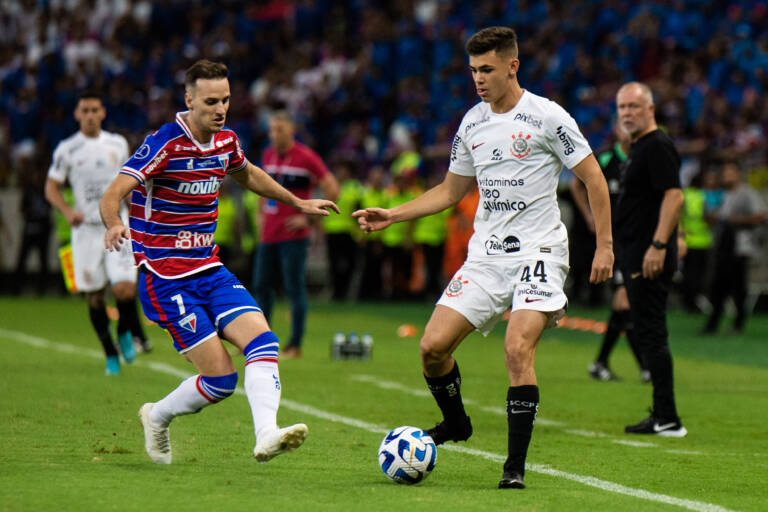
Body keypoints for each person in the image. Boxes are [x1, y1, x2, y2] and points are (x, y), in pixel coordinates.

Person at [354, 27, 613, 489]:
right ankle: (455, 424)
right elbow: (451, 191)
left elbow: (594, 178)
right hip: (487, 258)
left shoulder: (548, 117)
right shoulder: (472, 123)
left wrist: (606, 245)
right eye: (473, 70)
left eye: (487, 69)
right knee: (432, 348)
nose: (478, 78)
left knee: (517, 348)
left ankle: (513, 466)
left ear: (513, 66)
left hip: (540, 252)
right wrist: (392, 215)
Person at [99, 60, 338, 464]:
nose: (220, 108)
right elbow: (113, 193)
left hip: (210, 270)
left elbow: (248, 175)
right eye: (211, 101)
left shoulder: (226, 141)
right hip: (165, 278)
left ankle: (267, 435)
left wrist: (297, 200)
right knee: (222, 380)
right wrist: (111, 225)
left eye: (226, 99)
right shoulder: (164, 142)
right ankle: (156, 416)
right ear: (189, 99)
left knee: (264, 342)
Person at [45, 90, 150, 375]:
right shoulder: (67, 149)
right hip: (86, 231)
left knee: (125, 289)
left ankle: (127, 332)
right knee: (94, 296)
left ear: (103, 113)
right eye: (85, 111)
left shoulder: (117, 144)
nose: (90, 115)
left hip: (117, 224)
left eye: (95, 110)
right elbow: (51, 187)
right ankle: (110, 352)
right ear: (77, 114)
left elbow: (130, 183)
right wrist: (68, 213)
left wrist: (139, 215)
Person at [613, 82, 687, 437]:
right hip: (636, 252)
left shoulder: (657, 145)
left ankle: (667, 416)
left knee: (652, 333)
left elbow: (674, 196)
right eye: (622, 107)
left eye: (633, 106)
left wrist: (659, 245)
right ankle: (663, 413)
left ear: (650, 108)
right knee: (647, 332)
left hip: (648, 254)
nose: (627, 113)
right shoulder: (641, 146)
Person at [252, 110, 339, 359]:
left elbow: (333, 188)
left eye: (278, 129)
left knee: (293, 288)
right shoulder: (267, 154)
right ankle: (260, 341)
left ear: (291, 130)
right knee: (261, 286)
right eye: (271, 129)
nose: (273, 134)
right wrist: (260, 218)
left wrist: (307, 218)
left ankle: (295, 345)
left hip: (294, 235)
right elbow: (261, 188)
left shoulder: (306, 157)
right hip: (269, 233)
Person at [572, 123, 649, 382]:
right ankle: (645, 367)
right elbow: (576, 185)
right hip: (613, 241)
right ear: (615, 130)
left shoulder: (643, 158)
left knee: (623, 305)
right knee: (625, 301)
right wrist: (589, 216)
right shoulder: (605, 157)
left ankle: (602, 363)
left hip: (636, 239)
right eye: (623, 126)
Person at [702, 161, 766, 334]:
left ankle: (738, 324)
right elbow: (715, 217)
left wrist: (733, 220)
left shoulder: (747, 193)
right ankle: (713, 323)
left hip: (740, 247)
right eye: (724, 173)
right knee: (718, 287)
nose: (726, 176)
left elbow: (760, 216)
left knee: (738, 288)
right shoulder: (722, 194)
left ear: (738, 174)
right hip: (722, 246)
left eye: (730, 172)